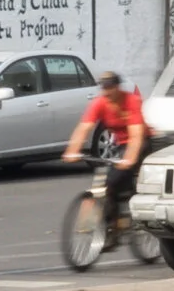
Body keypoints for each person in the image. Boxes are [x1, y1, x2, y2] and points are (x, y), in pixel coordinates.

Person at [62, 71, 150, 232]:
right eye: (104, 88)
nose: (107, 92)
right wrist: (72, 151)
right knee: (108, 181)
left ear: (118, 87)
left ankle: (122, 221)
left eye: (110, 88)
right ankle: (113, 224)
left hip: (142, 142)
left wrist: (130, 159)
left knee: (115, 179)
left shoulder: (131, 101)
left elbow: (136, 135)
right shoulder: (100, 103)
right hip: (120, 145)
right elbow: (84, 127)